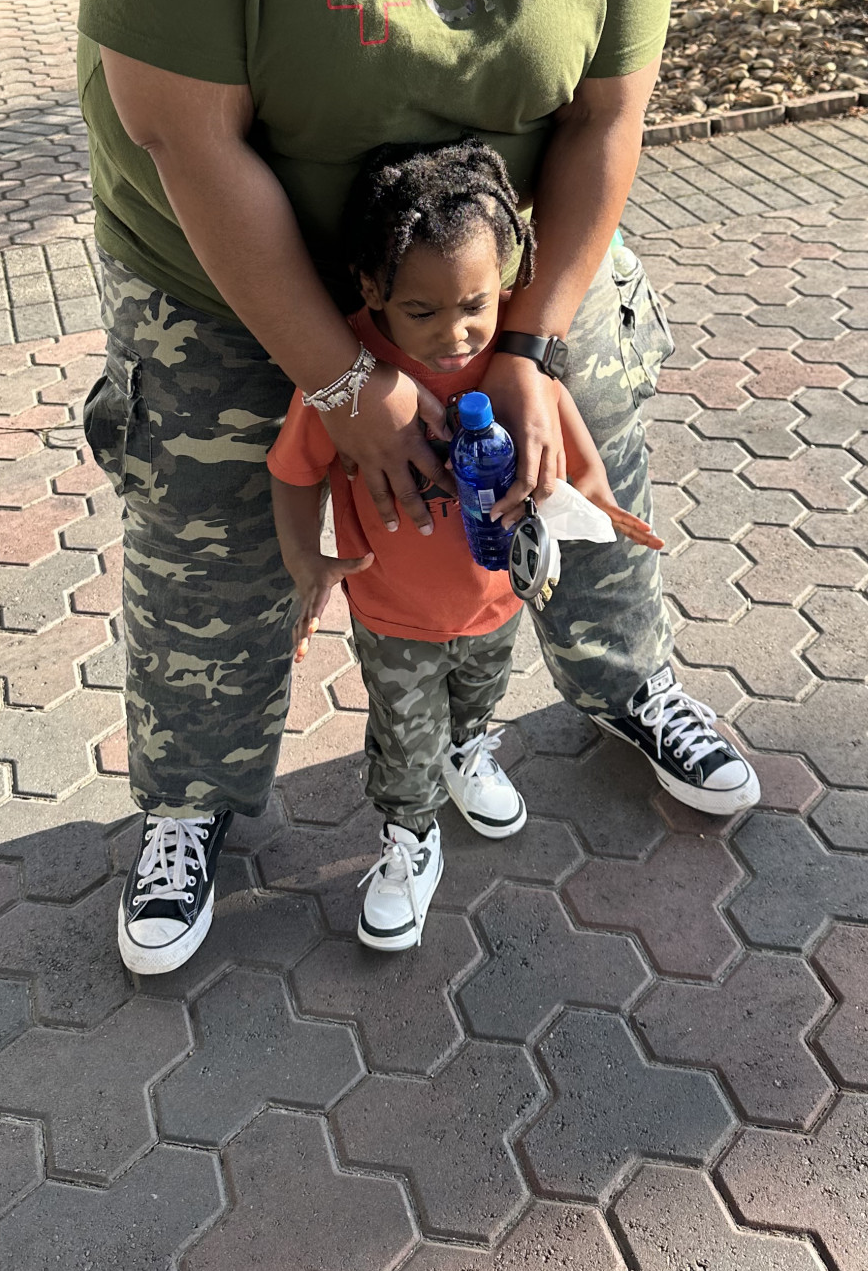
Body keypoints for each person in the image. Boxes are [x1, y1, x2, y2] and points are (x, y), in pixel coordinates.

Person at [78, 0, 761, 979]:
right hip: (230, 244)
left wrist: (528, 341)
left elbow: (609, 112)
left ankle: (623, 680)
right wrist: (341, 380)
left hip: (486, 257)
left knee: (579, 436)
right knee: (213, 528)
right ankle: (192, 797)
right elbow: (184, 133)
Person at [269, 140, 650, 952]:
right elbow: (293, 469)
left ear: (504, 281)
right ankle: (409, 835)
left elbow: (565, 428)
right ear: (372, 289)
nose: (456, 335)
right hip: (394, 610)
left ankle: (469, 751)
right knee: (405, 735)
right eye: (423, 312)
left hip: (495, 596)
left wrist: (602, 500)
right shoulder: (348, 380)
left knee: (479, 692)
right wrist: (306, 559)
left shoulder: (510, 357)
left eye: (476, 304)